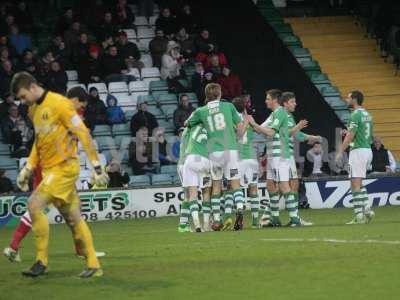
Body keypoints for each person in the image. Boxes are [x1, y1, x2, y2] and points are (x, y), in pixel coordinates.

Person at [10, 71, 108, 277]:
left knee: (34, 204)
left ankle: (41, 261)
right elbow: (38, 143)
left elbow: (82, 132)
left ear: (32, 87)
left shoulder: (60, 103)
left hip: (64, 169)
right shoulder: (34, 110)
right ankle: (94, 264)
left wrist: (97, 167)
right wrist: (28, 167)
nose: (22, 101)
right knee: (74, 218)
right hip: (50, 171)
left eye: (22, 96)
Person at [186, 83, 246, 231]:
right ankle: (239, 209)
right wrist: (237, 138)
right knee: (235, 183)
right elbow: (240, 128)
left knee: (217, 186)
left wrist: (200, 121)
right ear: (220, 94)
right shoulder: (229, 106)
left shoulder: (201, 111)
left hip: (214, 152)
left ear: (206, 95)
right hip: (230, 149)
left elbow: (187, 123)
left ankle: (217, 220)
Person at [247, 89, 307, 227]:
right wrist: (251, 124)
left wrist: (254, 124)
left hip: (280, 155)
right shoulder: (274, 114)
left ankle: (295, 219)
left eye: (268, 98)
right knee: (271, 186)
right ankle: (274, 219)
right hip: (273, 155)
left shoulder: (280, 112)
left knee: (284, 186)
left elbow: (271, 132)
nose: (266, 101)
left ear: (275, 100)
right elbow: (261, 130)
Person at [278, 92, 321, 226]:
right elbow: (286, 133)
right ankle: (291, 218)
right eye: (292, 102)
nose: (295, 104)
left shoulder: (288, 116)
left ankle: (292, 217)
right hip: (282, 155)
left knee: (290, 185)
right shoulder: (281, 114)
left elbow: (297, 134)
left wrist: (312, 137)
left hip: (287, 154)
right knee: (286, 185)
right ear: (285, 103)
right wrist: (299, 128)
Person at [336, 90, 374, 224]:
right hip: (367, 150)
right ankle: (363, 211)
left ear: (354, 99)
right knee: (357, 183)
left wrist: (340, 151)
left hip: (358, 151)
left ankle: (364, 212)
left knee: (354, 184)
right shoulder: (367, 114)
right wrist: (349, 132)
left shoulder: (355, 115)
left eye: (348, 97)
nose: (346, 100)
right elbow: (365, 134)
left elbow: (350, 136)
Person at [178, 123, 212, 233]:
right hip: (191, 162)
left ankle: (185, 224)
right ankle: (185, 224)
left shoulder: (187, 132)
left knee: (188, 195)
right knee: (204, 192)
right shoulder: (201, 130)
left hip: (185, 163)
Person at [232, 97, 260, 228]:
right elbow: (258, 130)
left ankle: (239, 210)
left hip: (239, 158)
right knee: (253, 188)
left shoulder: (232, 119)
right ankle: (255, 221)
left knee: (237, 186)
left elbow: (238, 135)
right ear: (244, 106)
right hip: (252, 157)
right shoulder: (250, 118)